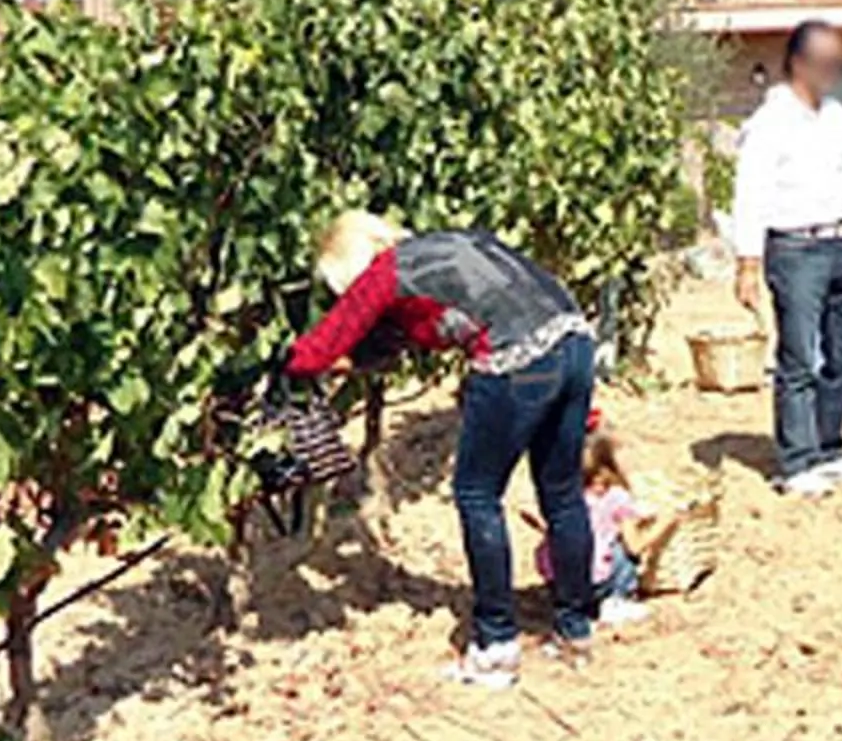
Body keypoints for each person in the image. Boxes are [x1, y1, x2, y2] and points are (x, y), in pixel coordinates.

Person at [288, 212, 597, 686]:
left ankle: (495, 646)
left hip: (519, 358)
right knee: (560, 491)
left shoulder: (385, 273)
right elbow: (424, 329)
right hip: (574, 342)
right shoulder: (446, 247)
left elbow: (320, 347)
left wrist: (274, 370)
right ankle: (575, 629)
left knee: (476, 493)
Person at [729, 21, 842, 496]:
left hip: (839, 245)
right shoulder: (769, 125)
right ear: (798, 63)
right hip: (793, 249)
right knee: (798, 358)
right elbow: (751, 194)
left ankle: (829, 447)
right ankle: (796, 460)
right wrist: (747, 263)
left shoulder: (840, 122)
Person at [532, 426, 675, 633]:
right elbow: (635, 546)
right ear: (603, 472)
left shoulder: (562, 498)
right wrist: (665, 523)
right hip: (596, 580)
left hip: (559, 579)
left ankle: (565, 604)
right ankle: (616, 599)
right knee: (620, 551)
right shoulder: (615, 498)